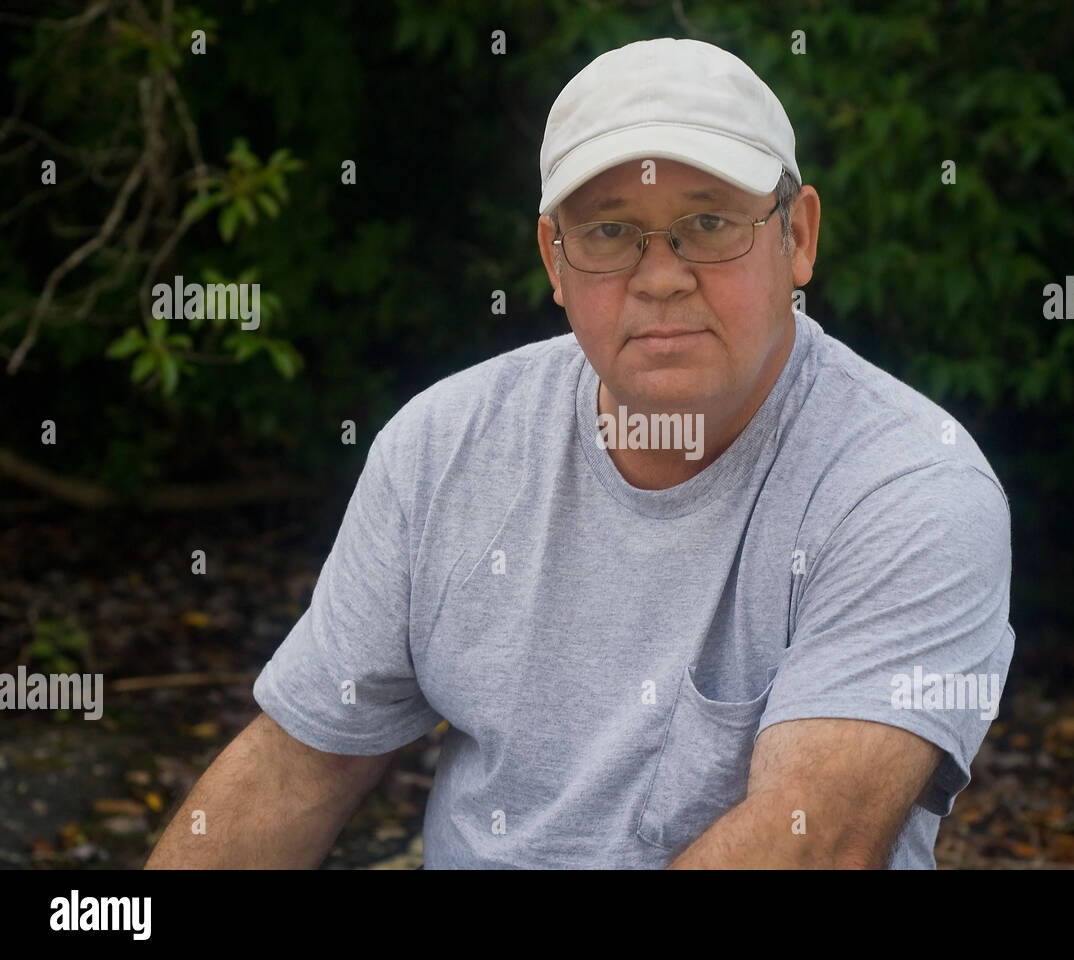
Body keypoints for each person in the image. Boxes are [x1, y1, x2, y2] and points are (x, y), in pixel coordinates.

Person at [146, 36, 1013, 870]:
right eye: (608, 232)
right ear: (553, 261)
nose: (662, 274)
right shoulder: (443, 446)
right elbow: (301, 763)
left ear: (798, 238)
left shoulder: (910, 487)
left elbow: (813, 847)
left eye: (709, 223)